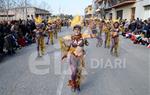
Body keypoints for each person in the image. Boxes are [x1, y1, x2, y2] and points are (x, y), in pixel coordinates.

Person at [60, 25, 96, 92]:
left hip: (80, 57)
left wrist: (96, 34)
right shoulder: (71, 37)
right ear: (73, 30)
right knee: (74, 71)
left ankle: (78, 84)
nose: (77, 31)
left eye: (78, 29)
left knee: (79, 72)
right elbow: (62, 39)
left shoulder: (83, 36)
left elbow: (92, 36)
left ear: (80, 30)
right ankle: (73, 83)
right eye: (75, 29)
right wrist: (64, 45)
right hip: (72, 56)